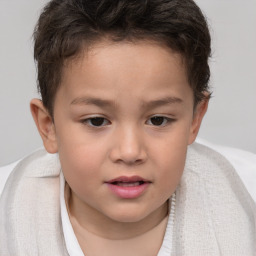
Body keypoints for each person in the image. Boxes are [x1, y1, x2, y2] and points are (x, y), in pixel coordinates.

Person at [0, 0, 255, 255]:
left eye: (158, 120)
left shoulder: (247, 196)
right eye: (97, 121)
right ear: (48, 127)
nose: (130, 151)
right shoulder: (7, 211)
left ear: (194, 119)